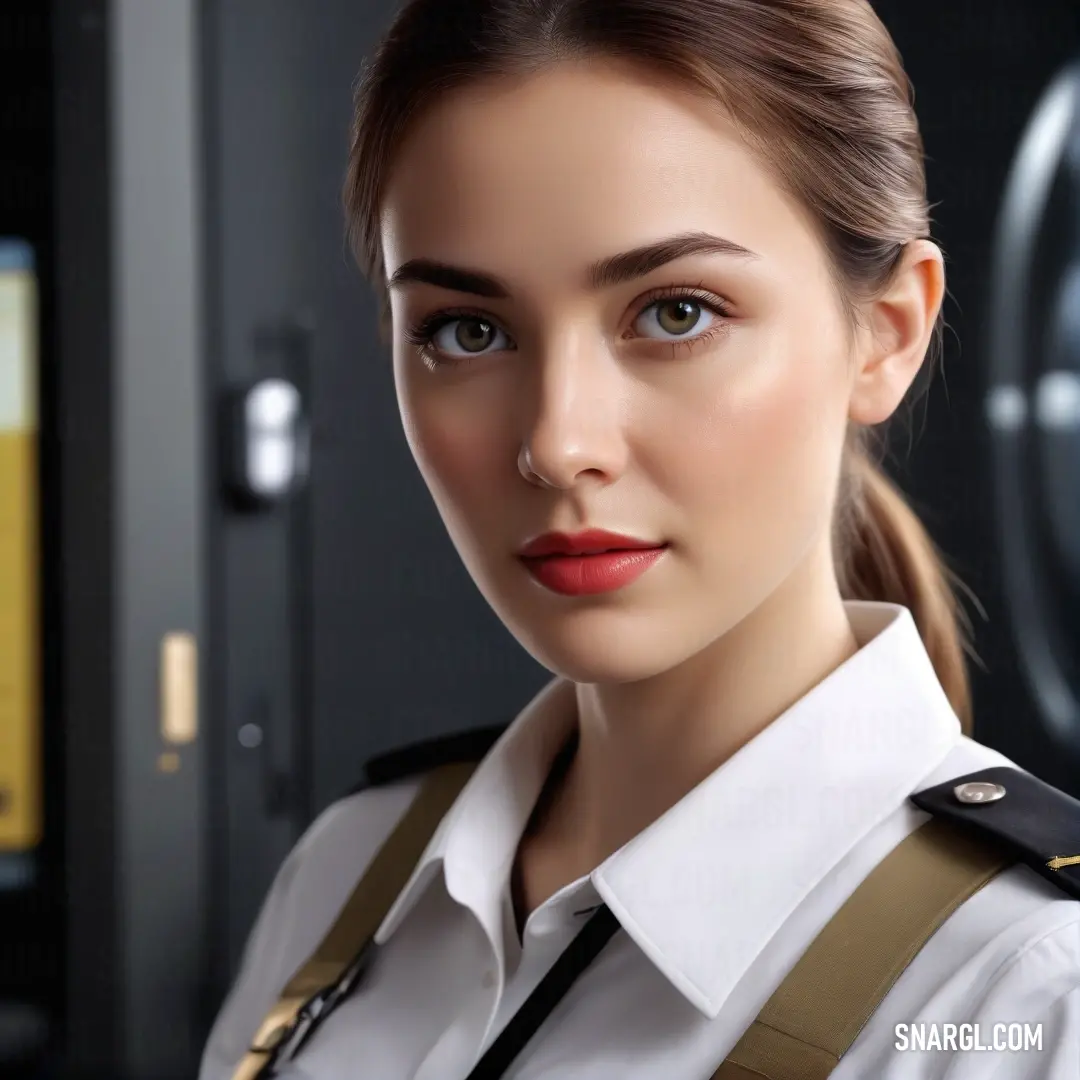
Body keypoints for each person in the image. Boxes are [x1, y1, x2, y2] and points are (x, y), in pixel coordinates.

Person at [199, 0, 1080, 1077]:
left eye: (676, 313)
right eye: (466, 331)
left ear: (886, 331)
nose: (559, 444)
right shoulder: (350, 877)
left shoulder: (1031, 992)